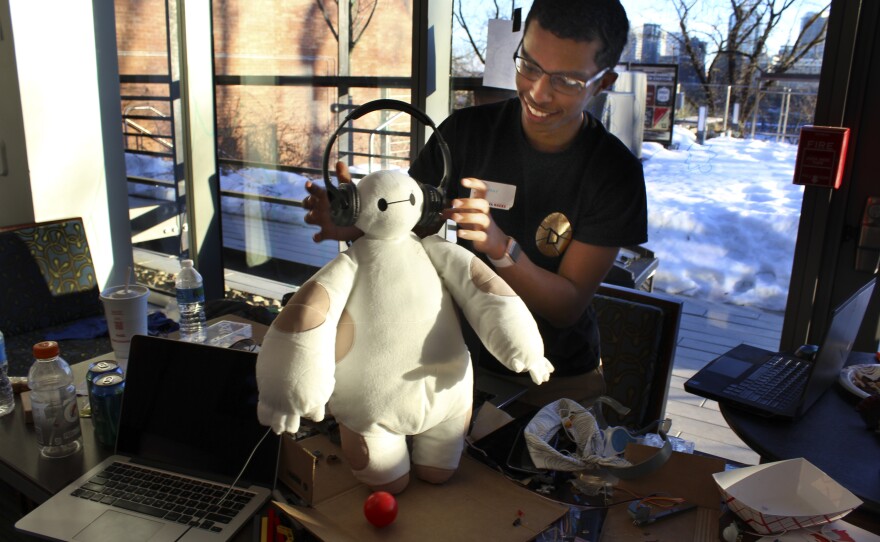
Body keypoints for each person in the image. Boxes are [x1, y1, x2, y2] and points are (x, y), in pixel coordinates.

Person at [304, 0, 647, 408]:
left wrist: (501, 249)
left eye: (566, 82)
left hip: (556, 380)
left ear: (603, 82)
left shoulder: (613, 172)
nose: (538, 92)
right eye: (530, 66)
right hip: (457, 359)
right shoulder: (468, 132)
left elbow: (566, 306)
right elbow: (411, 219)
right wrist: (354, 220)